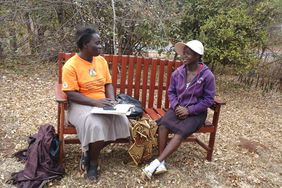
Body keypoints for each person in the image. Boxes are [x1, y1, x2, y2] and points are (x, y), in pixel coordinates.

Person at [62, 27, 130, 181]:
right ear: (86, 45)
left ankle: (89, 151)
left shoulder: (101, 61)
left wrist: (111, 100)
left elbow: (108, 83)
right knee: (96, 125)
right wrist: (95, 102)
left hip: (102, 102)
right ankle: (93, 162)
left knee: (123, 122)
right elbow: (71, 93)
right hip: (80, 105)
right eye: (97, 43)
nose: (101, 46)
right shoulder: (71, 65)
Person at [142, 40, 216, 179]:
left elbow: (208, 99)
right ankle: (161, 161)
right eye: (184, 52)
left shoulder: (207, 76)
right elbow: (171, 92)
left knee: (181, 132)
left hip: (196, 113)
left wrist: (190, 110)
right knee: (163, 125)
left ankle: (155, 163)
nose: (184, 55)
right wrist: (176, 106)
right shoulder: (178, 73)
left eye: (188, 53)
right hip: (178, 108)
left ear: (197, 56)